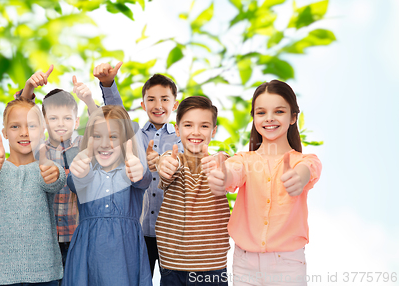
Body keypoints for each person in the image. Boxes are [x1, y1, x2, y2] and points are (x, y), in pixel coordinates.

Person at [205, 80, 322, 286]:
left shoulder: (303, 161)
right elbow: (232, 172)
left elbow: (309, 169)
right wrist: (222, 174)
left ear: (293, 117)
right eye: (261, 113)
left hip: (288, 265)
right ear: (254, 118)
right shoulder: (244, 160)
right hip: (244, 265)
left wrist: (299, 176)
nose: (269, 119)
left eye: (278, 111)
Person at [15, 65, 122, 270]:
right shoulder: (37, 149)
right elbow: (21, 114)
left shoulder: (85, 145)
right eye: (53, 118)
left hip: (79, 236)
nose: (60, 124)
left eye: (67, 118)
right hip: (46, 239)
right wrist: (29, 87)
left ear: (76, 121)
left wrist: (89, 101)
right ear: (44, 122)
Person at [94, 62, 183, 276]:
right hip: (139, 230)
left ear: (175, 104)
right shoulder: (134, 135)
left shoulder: (182, 137)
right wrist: (107, 84)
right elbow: (117, 112)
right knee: (136, 278)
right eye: (151, 99)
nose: (158, 104)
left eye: (164, 99)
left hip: (171, 231)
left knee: (172, 280)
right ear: (143, 105)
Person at [0, 97, 66, 286]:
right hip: (1, 276)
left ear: (42, 131)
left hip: (44, 275)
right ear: (5, 132)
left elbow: (56, 181)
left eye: (31, 126)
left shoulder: (46, 168)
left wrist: (55, 174)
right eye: (15, 127)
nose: (24, 133)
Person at [63, 105, 153, 286]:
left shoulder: (132, 171)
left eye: (113, 136)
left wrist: (138, 170)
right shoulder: (85, 172)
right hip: (87, 260)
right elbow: (75, 181)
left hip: (125, 260)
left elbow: (144, 179)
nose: (105, 143)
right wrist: (79, 171)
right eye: (97, 136)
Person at [155, 96, 230, 286]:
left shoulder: (221, 163)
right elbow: (165, 166)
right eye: (188, 125)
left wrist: (224, 164)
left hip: (212, 265)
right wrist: (164, 164)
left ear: (213, 131)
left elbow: (231, 168)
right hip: (173, 265)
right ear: (178, 129)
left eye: (204, 126)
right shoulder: (172, 160)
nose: (196, 132)